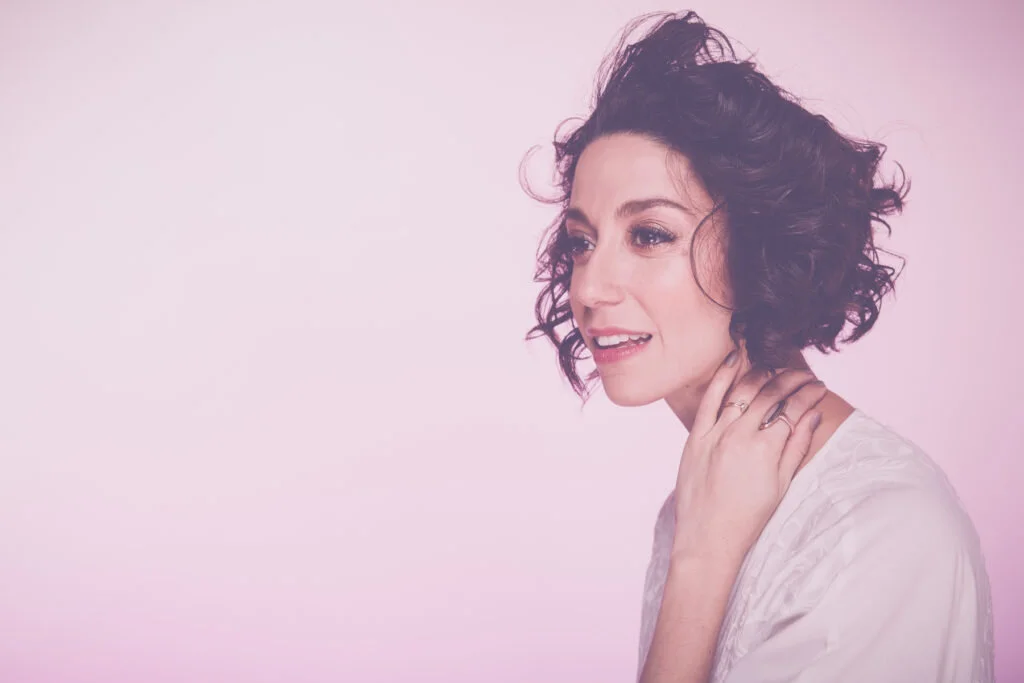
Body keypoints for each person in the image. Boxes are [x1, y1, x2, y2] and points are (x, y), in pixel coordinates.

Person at [523, 10, 994, 683]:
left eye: (650, 234)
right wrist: (698, 554)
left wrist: (699, 566)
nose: (590, 287)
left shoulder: (881, 529)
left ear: (759, 246)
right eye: (581, 241)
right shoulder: (701, 501)